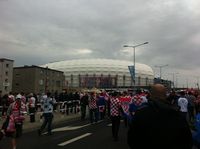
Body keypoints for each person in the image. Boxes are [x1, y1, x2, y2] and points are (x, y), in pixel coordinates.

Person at [127, 84, 193, 149]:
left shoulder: (140, 113)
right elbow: (188, 141)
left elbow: (132, 140)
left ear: (150, 95)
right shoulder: (176, 113)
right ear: (165, 95)